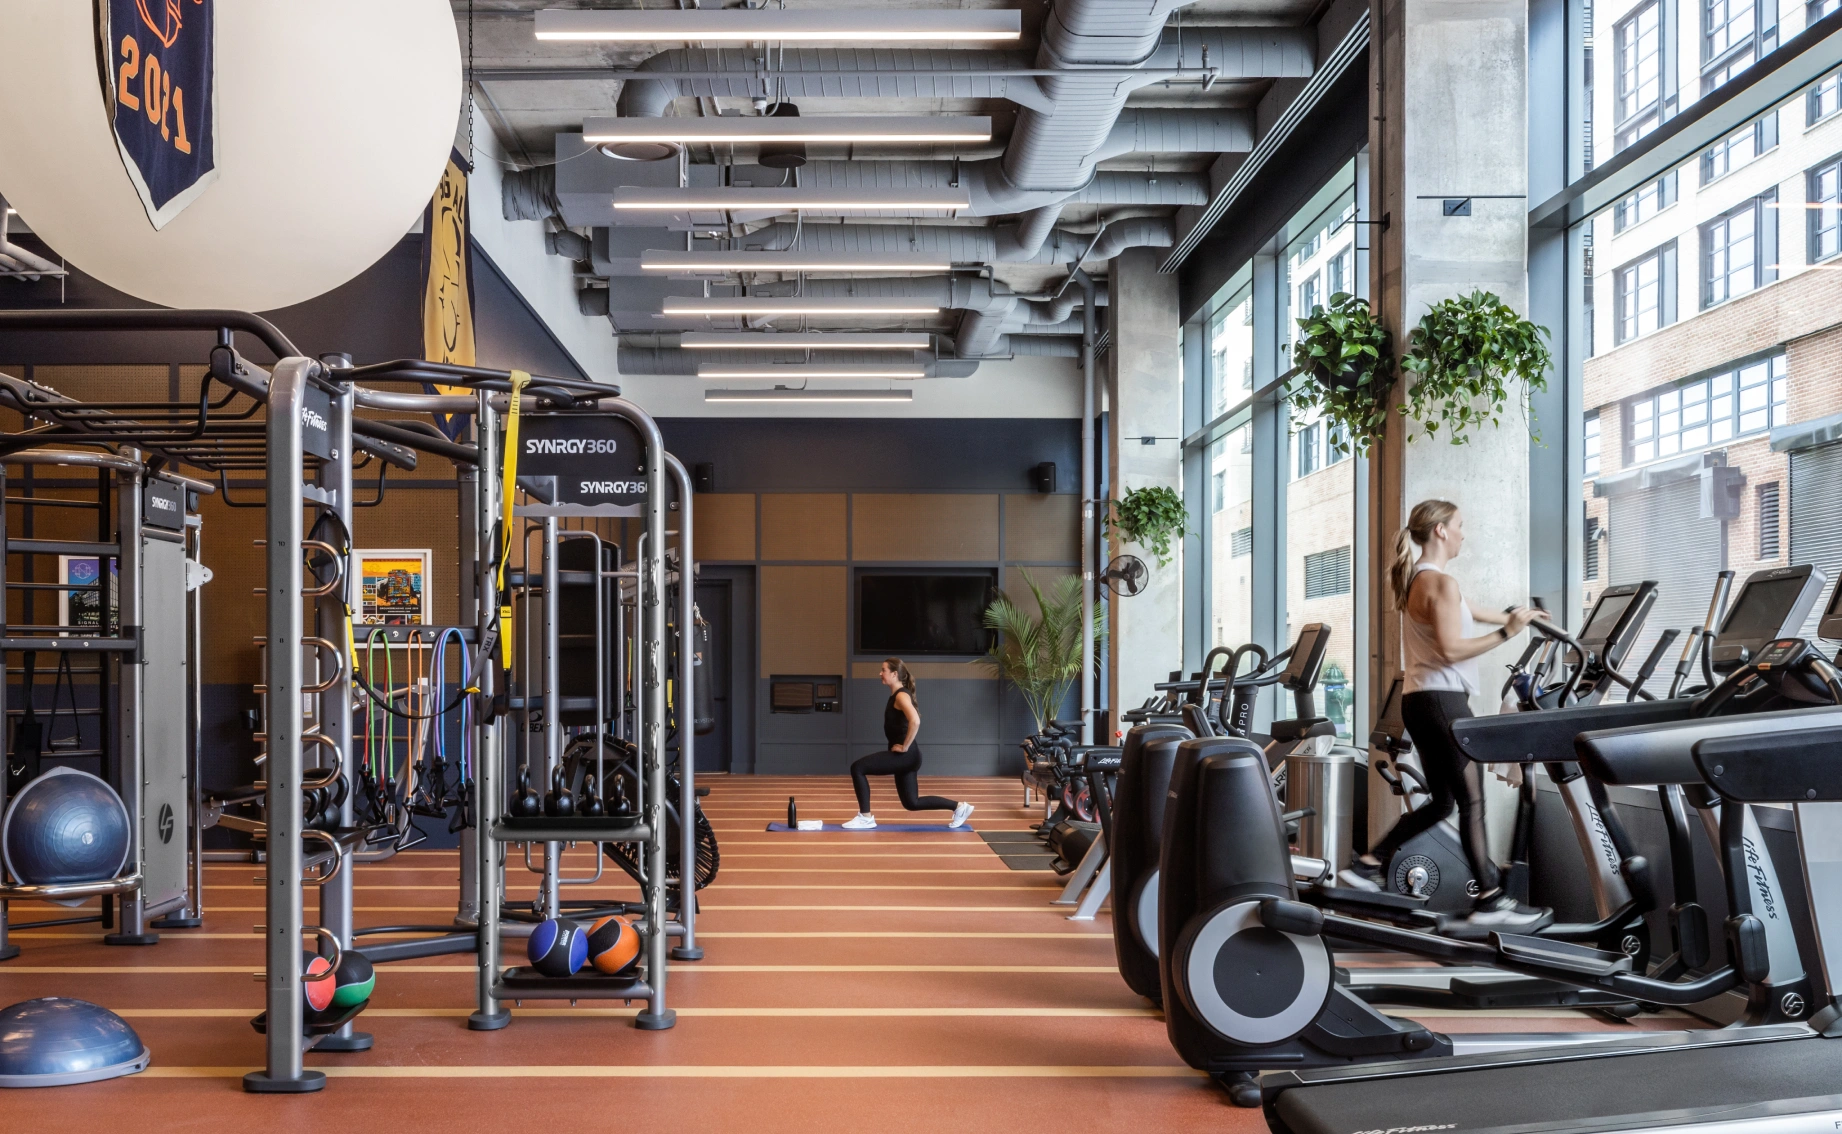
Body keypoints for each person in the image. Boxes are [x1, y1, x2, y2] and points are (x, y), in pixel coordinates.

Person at [1342, 499, 1551, 929]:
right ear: (1439, 530)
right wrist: (1505, 633)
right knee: (1472, 800)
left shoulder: (1424, 580)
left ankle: (1367, 865)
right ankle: (1490, 899)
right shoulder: (1440, 582)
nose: (1462, 533)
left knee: (1443, 803)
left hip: (1423, 701)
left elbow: (1470, 611)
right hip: (1442, 701)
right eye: (1459, 525)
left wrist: (1522, 618)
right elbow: (1453, 648)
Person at [841, 658, 975, 830]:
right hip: (909, 757)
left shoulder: (901, 695)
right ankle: (959, 807)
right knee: (912, 802)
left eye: (884, 670)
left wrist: (904, 747)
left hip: (906, 755)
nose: (880, 674)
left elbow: (915, 721)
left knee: (858, 768)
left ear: (895, 674)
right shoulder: (897, 695)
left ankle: (865, 817)